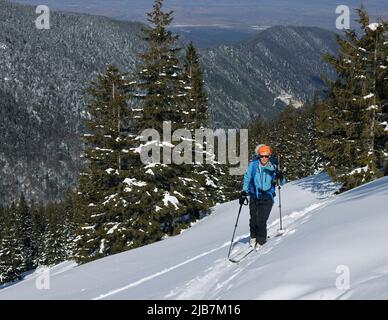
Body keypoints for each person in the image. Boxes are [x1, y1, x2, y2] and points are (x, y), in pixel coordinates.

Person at [239, 144, 285, 249]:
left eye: (266, 156)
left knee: (261, 220)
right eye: (261, 156)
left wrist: (280, 177)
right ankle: (253, 237)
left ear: (269, 156)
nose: (264, 158)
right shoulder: (253, 165)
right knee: (253, 219)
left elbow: (281, 183)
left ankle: (261, 240)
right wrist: (244, 192)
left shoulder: (273, 167)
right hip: (254, 195)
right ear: (258, 156)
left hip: (268, 196)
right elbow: (247, 177)